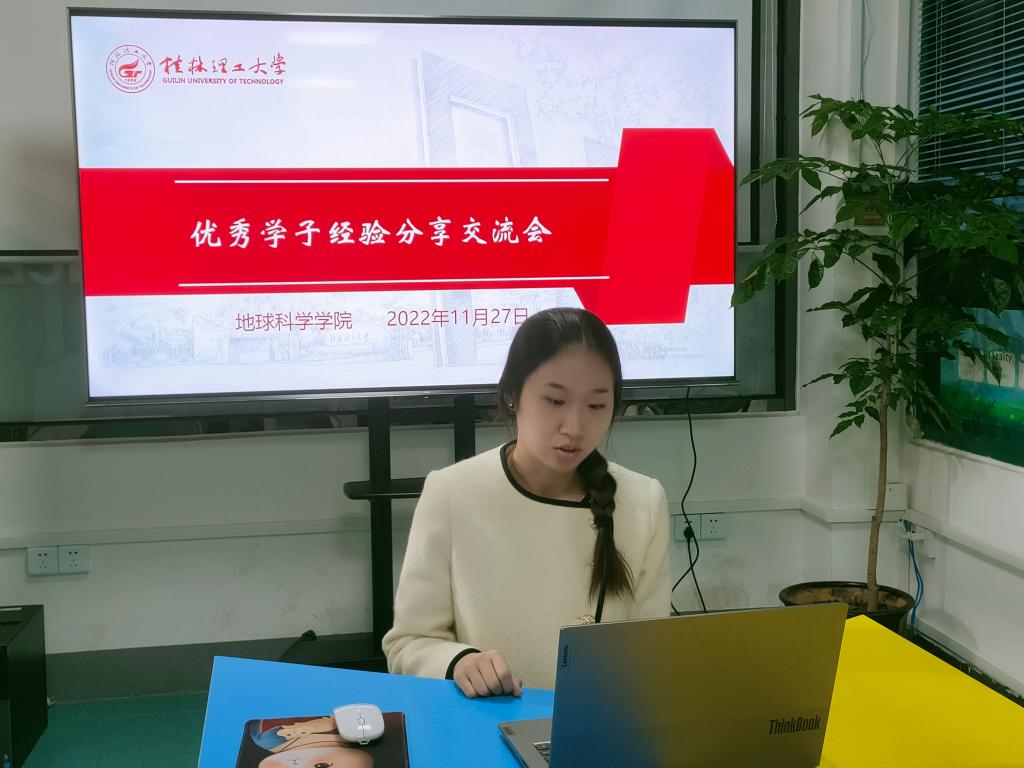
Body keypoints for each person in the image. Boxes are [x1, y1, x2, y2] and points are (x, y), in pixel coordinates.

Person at [382, 307, 670, 696]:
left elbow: (652, 653)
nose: (574, 427)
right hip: (487, 722)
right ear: (512, 396)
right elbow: (407, 644)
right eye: (555, 400)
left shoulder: (642, 502)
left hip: (594, 724)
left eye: (596, 406)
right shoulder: (453, 493)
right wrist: (460, 662)